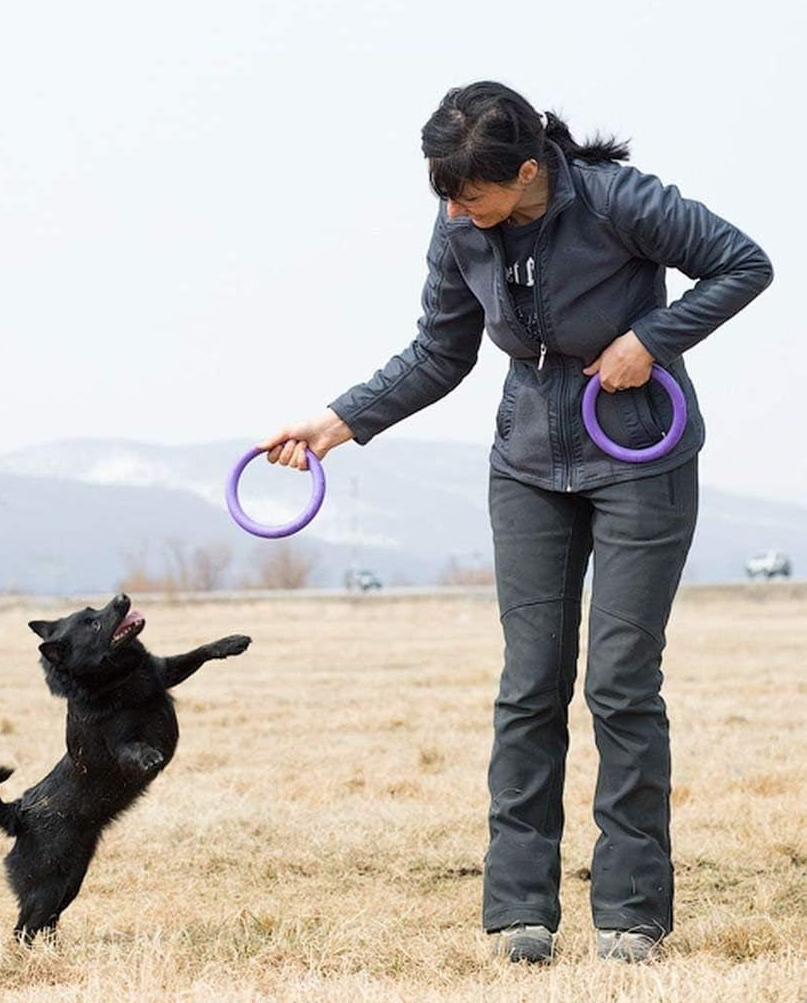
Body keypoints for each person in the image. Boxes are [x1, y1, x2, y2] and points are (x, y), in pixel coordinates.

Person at [258, 81, 773, 963]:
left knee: (618, 683)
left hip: (639, 455)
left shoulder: (617, 199)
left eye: (470, 192)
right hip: (527, 463)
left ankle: (631, 915)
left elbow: (743, 263)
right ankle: (519, 912)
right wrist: (337, 423)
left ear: (528, 170)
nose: (456, 208)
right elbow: (437, 352)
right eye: (444, 193)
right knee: (529, 683)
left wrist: (651, 338)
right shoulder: (460, 228)